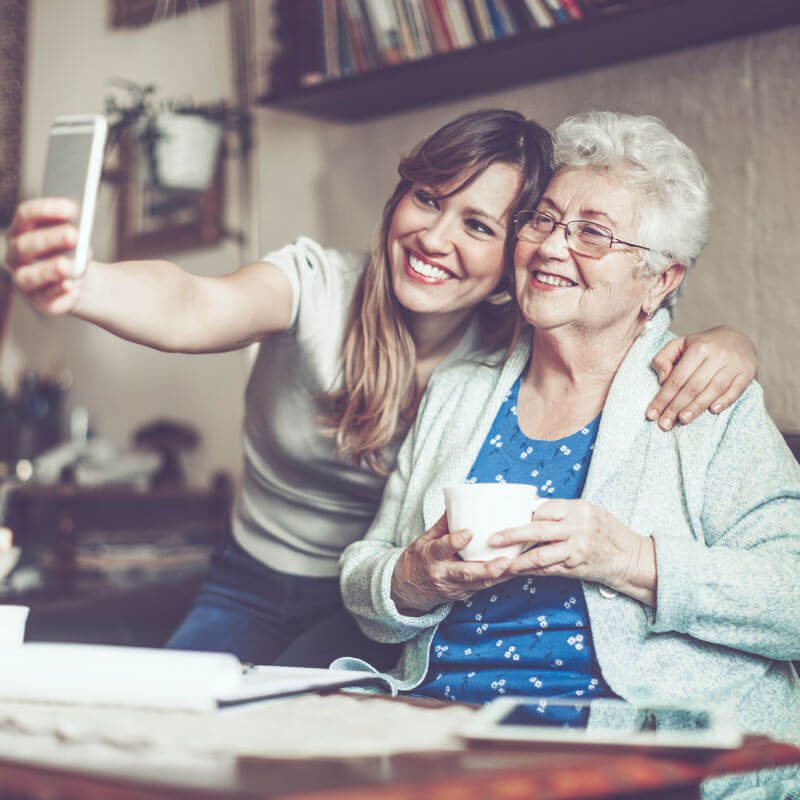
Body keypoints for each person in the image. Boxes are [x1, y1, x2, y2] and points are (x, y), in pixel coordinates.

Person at [5, 110, 758, 668]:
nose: (436, 240)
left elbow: (626, 304)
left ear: (511, 257)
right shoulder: (318, 288)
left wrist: (732, 345)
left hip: (367, 606)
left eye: (479, 225)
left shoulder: (513, 342)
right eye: (428, 200)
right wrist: (83, 282)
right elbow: (192, 303)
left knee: (276, 749)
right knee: (164, 734)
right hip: (252, 578)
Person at [338, 112, 799, 796]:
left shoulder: (705, 397)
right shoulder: (460, 393)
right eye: (544, 221)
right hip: (445, 730)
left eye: (592, 233)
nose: (553, 248)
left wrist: (632, 560)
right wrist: (413, 577)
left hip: (632, 745)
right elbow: (362, 580)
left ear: (659, 280)